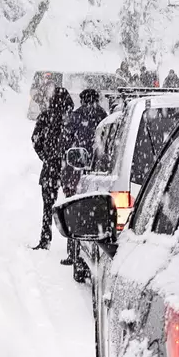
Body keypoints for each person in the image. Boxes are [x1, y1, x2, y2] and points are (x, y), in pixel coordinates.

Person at [60, 88, 108, 269]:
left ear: (82, 100)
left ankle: (74, 253)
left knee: (73, 212)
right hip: (100, 173)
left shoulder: (75, 117)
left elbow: (64, 145)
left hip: (75, 172)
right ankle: (95, 252)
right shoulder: (104, 117)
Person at [31, 87, 73, 250]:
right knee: (72, 205)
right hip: (69, 166)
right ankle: (72, 244)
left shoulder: (46, 116)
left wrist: (45, 156)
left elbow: (35, 140)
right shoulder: (71, 118)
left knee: (47, 205)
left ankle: (45, 238)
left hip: (51, 167)